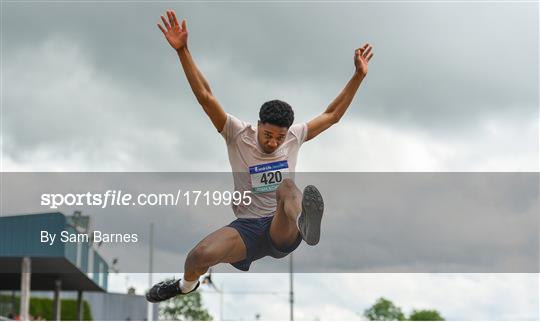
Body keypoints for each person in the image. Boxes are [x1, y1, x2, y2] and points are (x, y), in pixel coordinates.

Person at [146, 9, 374, 303]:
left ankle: (305, 220)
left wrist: (358, 75)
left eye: (280, 137)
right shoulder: (236, 133)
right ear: (258, 125)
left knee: (288, 187)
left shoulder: (295, 136)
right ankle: (184, 286)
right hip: (247, 229)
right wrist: (183, 51)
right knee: (199, 255)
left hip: (283, 225)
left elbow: (332, 115)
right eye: (268, 135)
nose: (273, 142)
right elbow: (205, 96)